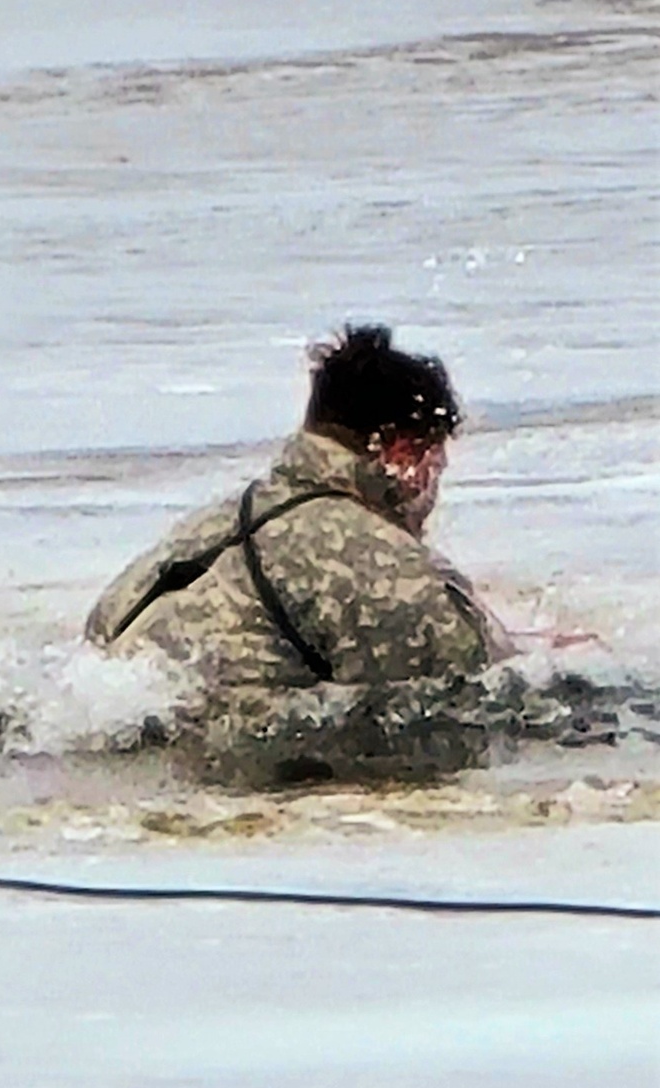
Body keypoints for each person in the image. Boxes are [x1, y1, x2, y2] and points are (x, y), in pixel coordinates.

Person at [85, 324, 516, 781]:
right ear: (401, 453)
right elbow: (480, 693)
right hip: (216, 767)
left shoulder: (213, 527)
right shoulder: (374, 561)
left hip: (109, 741)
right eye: (437, 467)